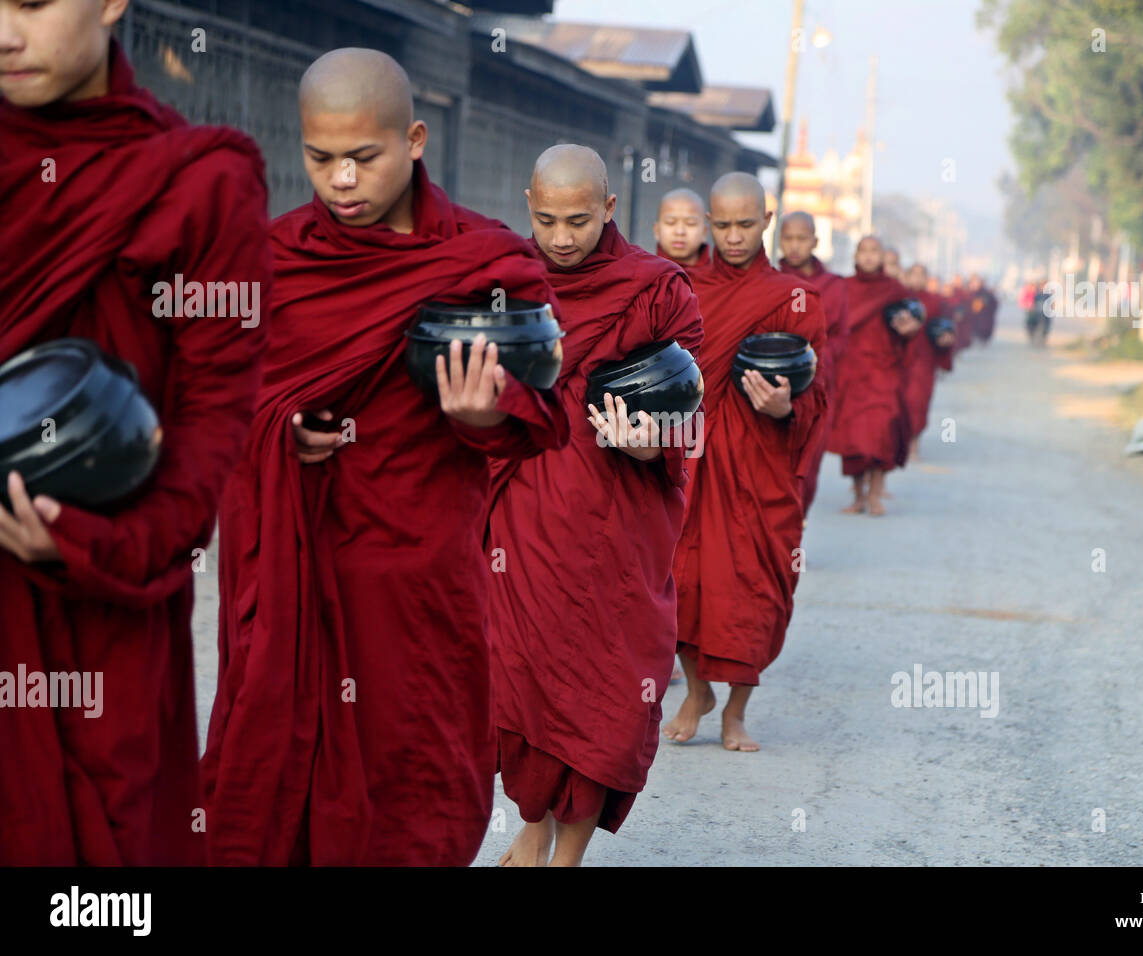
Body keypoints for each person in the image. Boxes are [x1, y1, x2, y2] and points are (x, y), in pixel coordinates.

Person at [201, 48, 568, 866]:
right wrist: (279, 428)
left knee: (419, 774)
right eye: (319, 158)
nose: (339, 181)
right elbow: (217, 399)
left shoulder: (484, 260)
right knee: (278, 769)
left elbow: (550, 413)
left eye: (362, 158)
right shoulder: (276, 259)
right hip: (298, 565)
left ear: (413, 140)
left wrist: (483, 414)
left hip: (418, 571)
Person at [0, 0, 272, 865]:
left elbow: (210, 426)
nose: (5, 34)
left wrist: (92, 544)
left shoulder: (195, 181)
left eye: (32, 4)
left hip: (100, 611)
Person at [487, 145, 704, 867]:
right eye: (547, 220)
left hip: (619, 519)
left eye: (579, 220)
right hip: (525, 507)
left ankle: (569, 849)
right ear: (528, 206)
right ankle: (535, 821)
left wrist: (653, 444)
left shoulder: (655, 290)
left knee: (608, 686)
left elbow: (690, 413)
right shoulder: (506, 282)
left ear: (610, 209)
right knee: (519, 671)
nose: (562, 237)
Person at [665, 172, 828, 753]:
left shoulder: (792, 296)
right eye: (723, 225)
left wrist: (788, 407)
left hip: (760, 461)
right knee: (678, 577)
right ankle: (696, 689)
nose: (734, 237)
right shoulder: (683, 285)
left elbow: (818, 389)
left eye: (745, 224)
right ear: (711, 224)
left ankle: (736, 710)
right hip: (693, 453)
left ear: (767, 221)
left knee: (757, 583)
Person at [826, 237, 919, 516]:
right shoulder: (843, 288)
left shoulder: (895, 290)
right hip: (851, 372)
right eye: (863, 251)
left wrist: (909, 331)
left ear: (882, 256)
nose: (868, 257)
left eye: (874, 251)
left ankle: (876, 494)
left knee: (881, 433)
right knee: (854, 439)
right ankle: (858, 496)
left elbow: (913, 325)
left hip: (883, 371)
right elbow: (830, 326)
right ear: (855, 256)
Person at [777, 210, 845, 513]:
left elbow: (842, 337)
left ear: (815, 241)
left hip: (816, 386)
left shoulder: (832, 285)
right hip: (771, 384)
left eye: (802, 239)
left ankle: (795, 530)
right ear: (779, 241)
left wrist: (814, 361)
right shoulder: (769, 280)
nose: (795, 246)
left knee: (808, 464)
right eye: (788, 238)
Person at [901, 264, 955, 460]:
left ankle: (914, 443)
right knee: (900, 403)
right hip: (898, 359)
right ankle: (902, 442)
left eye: (921, 275)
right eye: (912, 274)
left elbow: (945, 329)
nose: (916, 279)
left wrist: (945, 343)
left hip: (924, 360)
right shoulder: (898, 300)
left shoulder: (935, 302)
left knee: (918, 403)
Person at [653, 187, 711, 276]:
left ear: (704, 232)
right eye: (670, 222)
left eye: (690, 223)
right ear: (657, 230)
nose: (680, 231)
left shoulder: (722, 278)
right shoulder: (645, 276)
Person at [968, 273, 998, 344]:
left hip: (983, 318)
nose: (975, 284)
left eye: (977, 282)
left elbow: (993, 302)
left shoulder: (985, 292)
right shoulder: (967, 292)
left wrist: (985, 303)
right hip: (971, 318)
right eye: (973, 282)